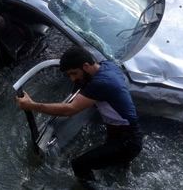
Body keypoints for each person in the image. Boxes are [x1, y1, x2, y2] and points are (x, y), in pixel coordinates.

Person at [16, 46, 143, 187]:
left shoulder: (100, 84)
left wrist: (32, 105)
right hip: (126, 135)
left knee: (79, 164)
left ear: (86, 66)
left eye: (74, 73)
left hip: (128, 142)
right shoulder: (108, 66)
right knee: (116, 168)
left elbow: (70, 110)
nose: (72, 78)